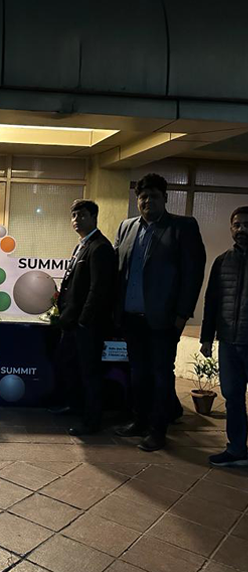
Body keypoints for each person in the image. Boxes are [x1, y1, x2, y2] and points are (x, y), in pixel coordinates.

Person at [114, 173, 206, 451]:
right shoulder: (127, 227)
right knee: (137, 373)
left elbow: (193, 274)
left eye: (153, 196)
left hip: (163, 321)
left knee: (161, 376)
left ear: (164, 198)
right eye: (143, 196)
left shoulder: (182, 227)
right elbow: (119, 271)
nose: (147, 201)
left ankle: (158, 430)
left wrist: (182, 316)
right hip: (131, 318)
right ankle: (139, 421)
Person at [54, 199, 116, 435]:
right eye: (74, 216)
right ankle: (74, 406)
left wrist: (84, 320)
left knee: (90, 373)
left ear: (93, 218)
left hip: (87, 324)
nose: (76, 220)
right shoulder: (81, 245)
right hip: (71, 322)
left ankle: (92, 421)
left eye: (81, 215)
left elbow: (99, 289)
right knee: (70, 366)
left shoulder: (100, 247)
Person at [200, 206, 248, 467]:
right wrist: (207, 337)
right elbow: (212, 302)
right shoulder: (222, 261)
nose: (242, 230)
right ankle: (237, 449)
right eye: (237, 225)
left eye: (246, 225)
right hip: (229, 342)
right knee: (233, 397)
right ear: (231, 228)